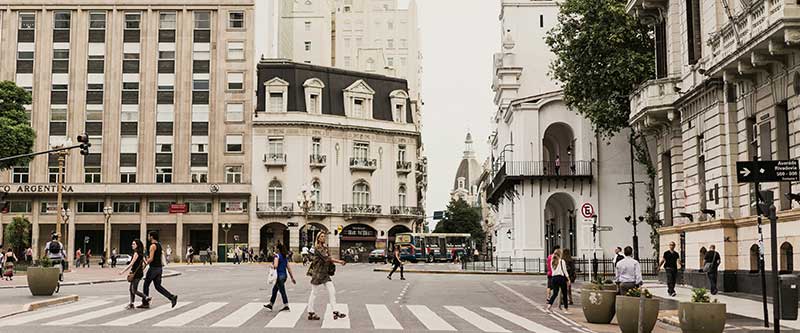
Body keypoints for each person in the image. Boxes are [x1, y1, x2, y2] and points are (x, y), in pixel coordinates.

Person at [306, 231, 347, 321]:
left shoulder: (324, 247)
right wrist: (340, 261)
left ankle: (335, 311)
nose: (323, 238)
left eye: (324, 236)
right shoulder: (318, 247)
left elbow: (329, 258)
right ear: (318, 238)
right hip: (317, 273)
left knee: (332, 291)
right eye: (321, 236)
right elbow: (327, 258)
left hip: (324, 273)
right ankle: (310, 312)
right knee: (314, 293)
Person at [139, 231, 178, 309]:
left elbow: (151, 258)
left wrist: (144, 264)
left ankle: (145, 303)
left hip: (153, 268)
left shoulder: (152, 246)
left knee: (146, 285)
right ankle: (171, 297)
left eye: (149, 236)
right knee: (158, 286)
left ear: (152, 237)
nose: (148, 237)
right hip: (159, 268)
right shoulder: (159, 245)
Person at [265, 243, 296, 311]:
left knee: (282, 291)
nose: (275, 249)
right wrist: (292, 278)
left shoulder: (277, 256)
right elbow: (289, 268)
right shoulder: (284, 257)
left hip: (279, 276)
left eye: (275, 248)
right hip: (284, 276)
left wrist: (271, 265)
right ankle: (271, 304)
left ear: (278, 249)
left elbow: (275, 266)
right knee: (275, 290)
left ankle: (286, 305)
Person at [119, 239, 147, 309]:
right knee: (131, 289)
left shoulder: (136, 253)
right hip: (139, 273)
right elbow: (145, 263)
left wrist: (123, 271)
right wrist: (141, 269)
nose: (132, 245)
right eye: (132, 244)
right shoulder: (141, 253)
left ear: (137, 245)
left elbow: (131, 263)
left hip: (136, 274)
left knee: (134, 290)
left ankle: (146, 297)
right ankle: (131, 303)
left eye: (134, 244)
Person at [546, 249, 570, 314]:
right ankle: (566, 309)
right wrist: (568, 279)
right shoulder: (562, 261)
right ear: (560, 254)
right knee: (564, 294)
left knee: (555, 293)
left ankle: (548, 307)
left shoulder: (552, 261)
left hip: (554, 278)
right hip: (561, 278)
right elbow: (565, 271)